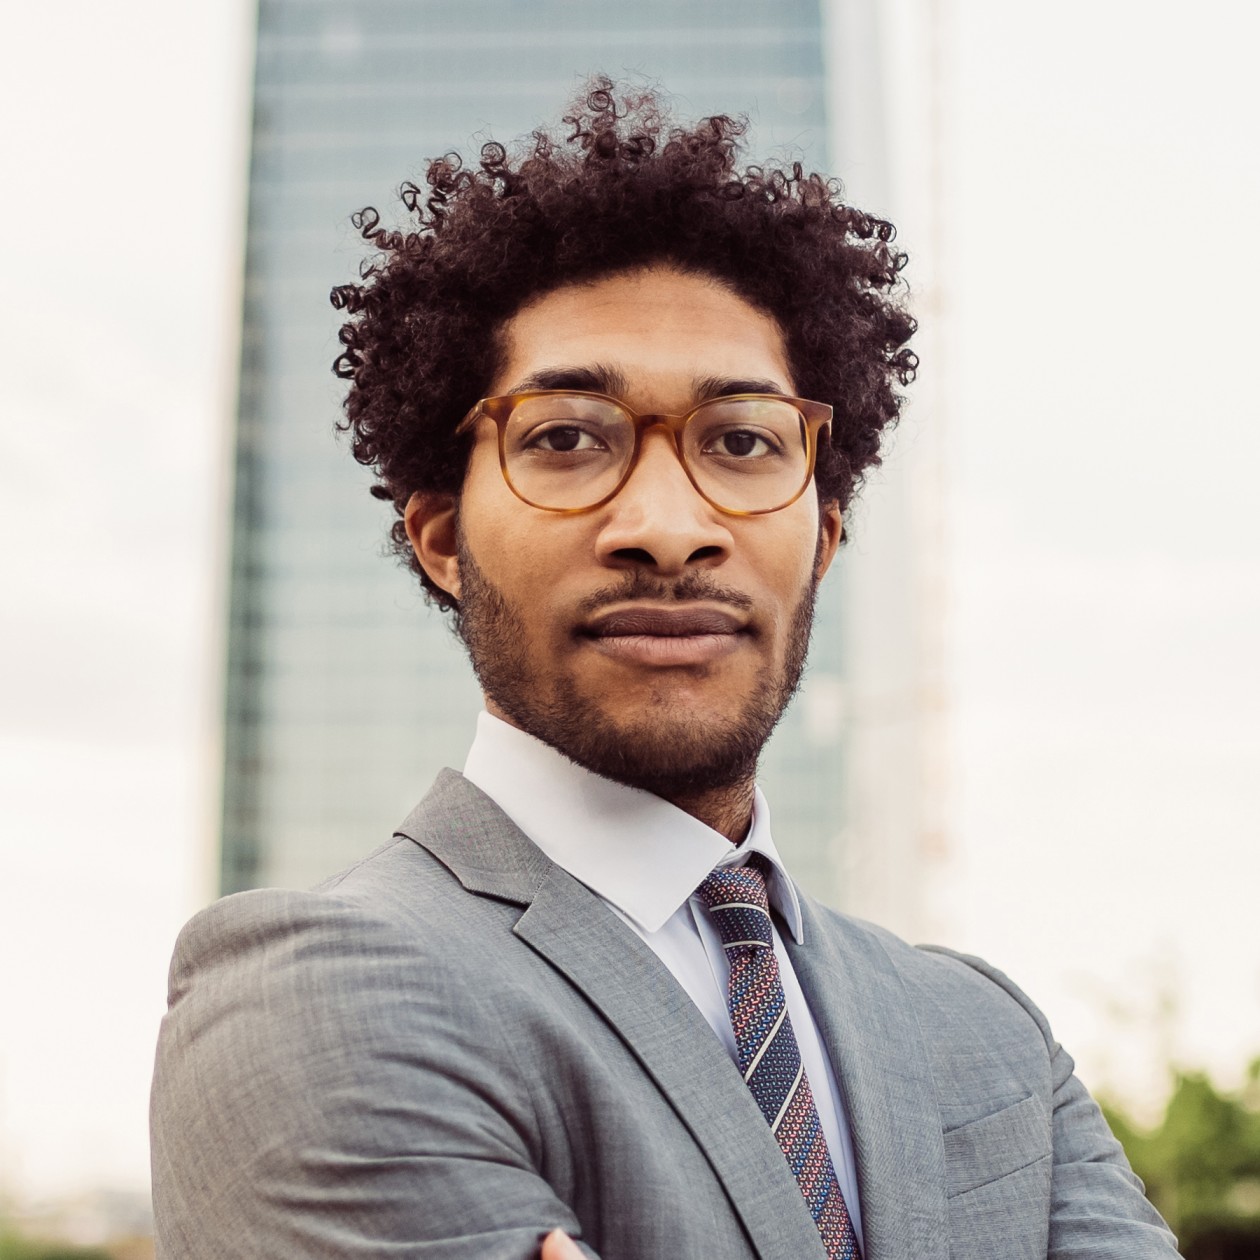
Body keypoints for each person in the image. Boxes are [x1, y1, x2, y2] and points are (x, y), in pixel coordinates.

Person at [150, 81, 1180, 1259]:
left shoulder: (985, 1033)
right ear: (441, 536)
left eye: (742, 442)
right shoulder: (319, 992)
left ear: (824, 536)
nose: (667, 523)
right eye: (566, 437)